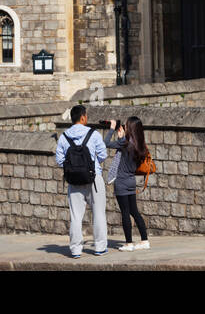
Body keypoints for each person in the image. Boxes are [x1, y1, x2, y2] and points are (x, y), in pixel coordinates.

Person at [54, 104, 107, 258]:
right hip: (93, 178)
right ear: (83, 117)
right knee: (98, 213)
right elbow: (103, 155)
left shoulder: (64, 137)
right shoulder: (94, 134)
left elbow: (59, 160)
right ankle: (99, 247)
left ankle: (76, 249)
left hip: (73, 180)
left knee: (76, 216)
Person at [104, 116, 151, 251]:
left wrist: (112, 129)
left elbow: (105, 143)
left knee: (125, 213)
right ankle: (144, 240)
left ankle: (129, 243)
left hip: (121, 182)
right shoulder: (139, 145)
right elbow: (125, 156)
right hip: (131, 181)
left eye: (126, 125)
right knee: (134, 212)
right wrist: (120, 138)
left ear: (129, 128)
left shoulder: (125, 143)